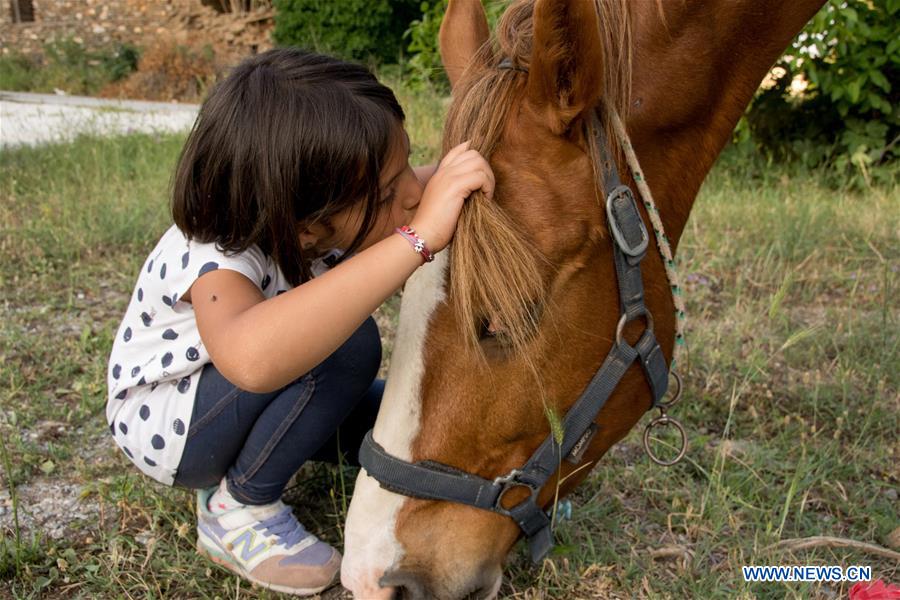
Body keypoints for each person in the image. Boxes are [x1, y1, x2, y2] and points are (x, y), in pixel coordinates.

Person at [105, 47, 494, 596]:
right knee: (343, 348)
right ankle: (236, 510)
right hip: (176, 426)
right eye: (388, 193)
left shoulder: (305, 217)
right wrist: (417, 240)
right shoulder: (217, 259)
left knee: (399, 417)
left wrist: (464, 173)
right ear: (305, 227)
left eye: (407, 164)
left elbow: (427, 193)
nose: (412, 192)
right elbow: (252, 359)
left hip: (246, 402)